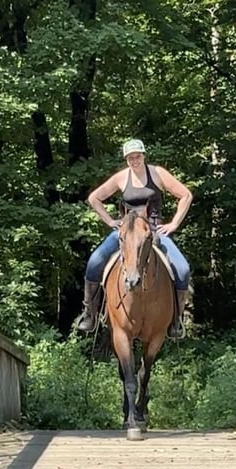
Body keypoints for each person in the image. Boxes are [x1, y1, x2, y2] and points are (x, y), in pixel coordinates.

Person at [75, 138, 193, 338]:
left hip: (153, 231)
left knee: (182, 269)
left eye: (137, 156)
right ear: (126, 159)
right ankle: (90, 313)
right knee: (94, 261)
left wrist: (174, 224)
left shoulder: (157, 173)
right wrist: (111, 221)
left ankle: (177, 319)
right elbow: (94, 198)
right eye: (130, 157)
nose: (134, 160)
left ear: (144, 155)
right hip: (126, 231)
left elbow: (186, 195)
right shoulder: (122, 177)